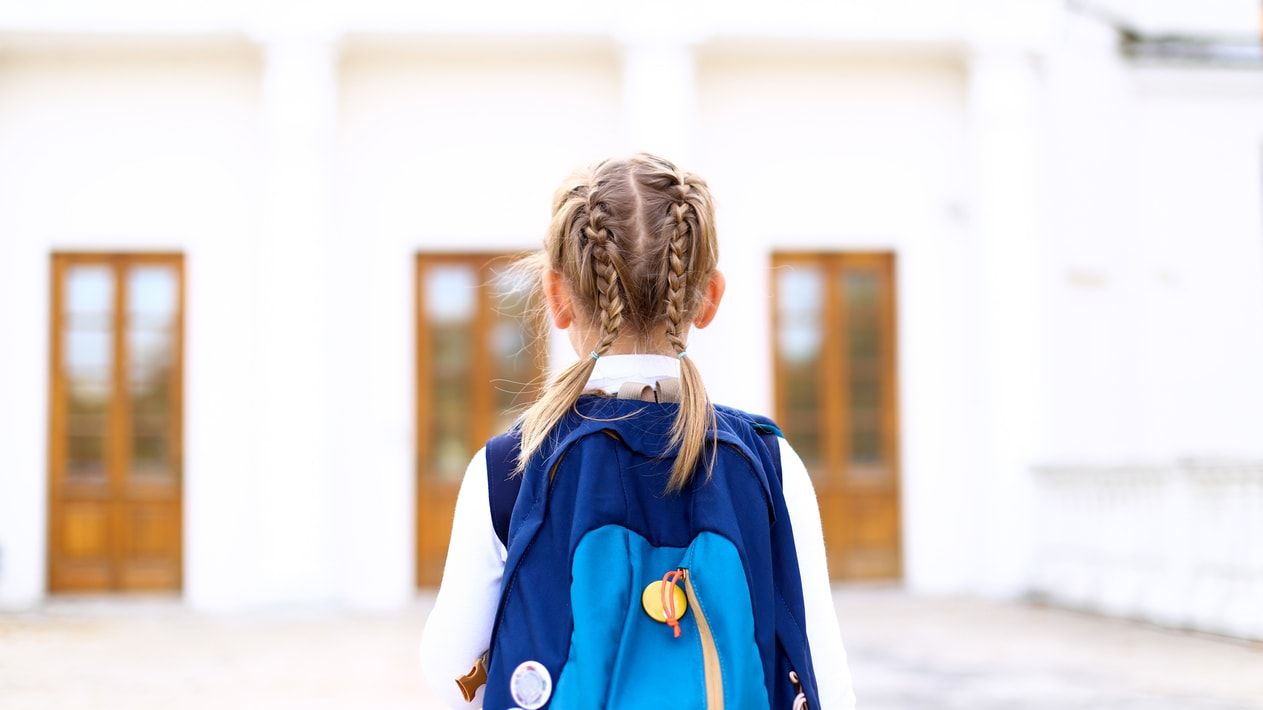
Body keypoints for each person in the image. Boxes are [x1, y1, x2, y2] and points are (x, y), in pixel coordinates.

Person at [419, 153, 857, 709]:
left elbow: (449, 667)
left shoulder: (511, 465)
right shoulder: (769, 462)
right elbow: (827, 680)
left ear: (556, 297)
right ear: (709, 298)